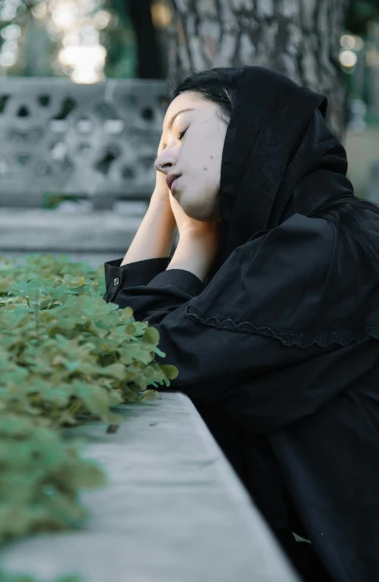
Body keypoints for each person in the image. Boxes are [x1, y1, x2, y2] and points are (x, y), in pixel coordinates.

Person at [103, 66, 379, 582]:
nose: (162, 158)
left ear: (251, 130)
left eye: (183, 132)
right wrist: (161, 209)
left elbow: (150, 353)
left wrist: (191, 243)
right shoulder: (285, 244)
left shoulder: (326, 243)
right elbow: (123, 341)